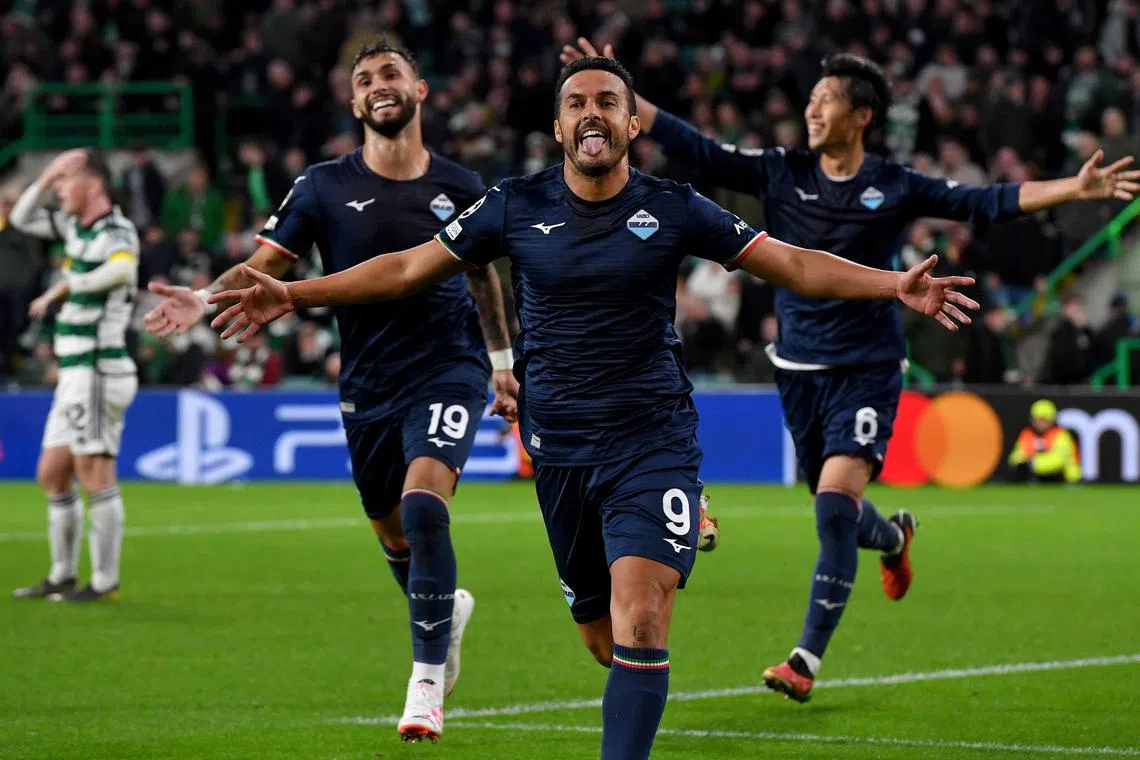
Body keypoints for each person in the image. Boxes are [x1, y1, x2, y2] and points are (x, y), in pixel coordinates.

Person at [205, 56, 977, 759]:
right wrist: (293, 292)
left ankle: (676, 524)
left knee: (643, 615)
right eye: (577, 102)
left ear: (634, 122)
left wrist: (892, 284)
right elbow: (407, 267)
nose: (593, 112)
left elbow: (795, 264)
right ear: (559, 126)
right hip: (560, 453)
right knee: (606, 641)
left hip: (651, 440)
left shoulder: (675, 207)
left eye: (610, 100)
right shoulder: (513, 205)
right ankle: (671, 545)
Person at [560, 40, 1140, 703]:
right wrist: (622, 99)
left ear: (860, 116)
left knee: (834, 504)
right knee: (837, 507)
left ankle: (804, 659)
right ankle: (892, 537)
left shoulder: (891, 184)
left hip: (865, 366)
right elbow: (702, 150)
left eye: (824, 101)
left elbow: (987, 200)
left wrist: (1076, 186)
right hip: (797, 368)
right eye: (809, 101)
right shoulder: (781, 171)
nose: (810, 111)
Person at [142, 40, 517, 742]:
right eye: (365, 79)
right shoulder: (321, 186)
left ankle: (427, 684)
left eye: (392, 73)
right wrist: (201, 295)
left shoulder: (464, 186)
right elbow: (266, 266)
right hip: (368, 380)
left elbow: (482, 277)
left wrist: (500, 358)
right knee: (391, 529)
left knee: (424, 505)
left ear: (421, 89)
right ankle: (444, 606)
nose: (379, 85)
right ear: (353, 103)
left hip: (448, 367)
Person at [10, 148, 140, 603]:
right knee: (52, 473)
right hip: (74, 373)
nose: (59, 191)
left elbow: (124, 268)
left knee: (94, 472)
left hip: (99, 369)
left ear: (94, 185)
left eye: (67, 181)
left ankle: (104, 583)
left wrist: (66, 283)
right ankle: (62, 574)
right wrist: (46, 175)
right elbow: (23, 218)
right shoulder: (73, 227)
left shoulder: (115, 229)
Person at [1007, 399, 1081, 484]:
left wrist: (1032, 464)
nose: (1040, 423)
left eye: (1044, 420)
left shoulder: (1060, 435)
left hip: (1065, 480)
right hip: (1036, 478)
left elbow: (1059, 460)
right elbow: (1016, 457)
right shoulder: (1027, 434)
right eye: (1037, 420)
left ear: (1052, 420)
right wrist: (1021, 465)